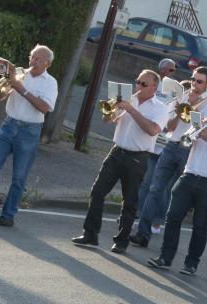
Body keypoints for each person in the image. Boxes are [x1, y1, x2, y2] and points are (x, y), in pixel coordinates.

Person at [70, 70, 168, 253]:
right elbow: (108, 119)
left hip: (138, 157)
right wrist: (111, 110)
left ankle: (122, 241)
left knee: (129, 201)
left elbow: (153, 130)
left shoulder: (160, 108)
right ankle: (90, 234)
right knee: (97, 191)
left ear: (154, 88)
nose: (138, 86)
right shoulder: (128, 99)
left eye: (143, 84)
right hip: (117, 151)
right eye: (137, 82)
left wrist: (132, 109)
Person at [146, 91, 207, 274]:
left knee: (200, 225)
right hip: (189, 175)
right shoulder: (204, 121)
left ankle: (191, 263)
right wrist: (193, 135)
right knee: (172, 217)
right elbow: (183, 143)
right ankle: (165, 257)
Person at [130, 66, 207, 246]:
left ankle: (167, 239)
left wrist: (192, 108)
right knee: (155, 188)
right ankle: (142, 234)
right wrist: (181, 109)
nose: (194, 84)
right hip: (171, 145)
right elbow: (170, 126)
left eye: (199, 81)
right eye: (193, 79)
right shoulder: (183, 96)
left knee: (176, 195)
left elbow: (200, 130)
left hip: (189, 150)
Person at [0, 45, 57, 227]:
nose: (33, 62)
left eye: (38, 59)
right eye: (32, 57)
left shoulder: (50, 82)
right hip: (9, 124)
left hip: (30, 130)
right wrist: (5, 84)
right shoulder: (20, 73)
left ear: (47, 64)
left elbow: (45, 107)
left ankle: (8, 215)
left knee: (19, 176)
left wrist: (22, 89)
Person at [133, 58, 181, 236]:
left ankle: (157, 220)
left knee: (162, 187)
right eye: (169, 70)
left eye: (173, 70)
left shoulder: (176, 89)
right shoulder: (151, 85)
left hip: (168, 145)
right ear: (161, 71)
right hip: (153, 143)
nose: (172, 74)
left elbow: (173, 121)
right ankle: (137, 213)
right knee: (146, 183)